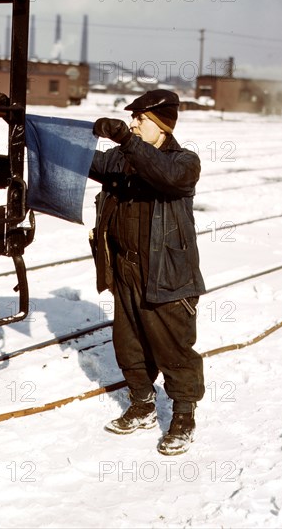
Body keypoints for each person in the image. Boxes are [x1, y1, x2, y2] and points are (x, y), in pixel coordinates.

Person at [89, 89, 206, 456]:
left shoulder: (184, 162)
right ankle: (141, 405)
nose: (134, 123)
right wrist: (20, 123)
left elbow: (164, 175)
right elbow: (81, 159)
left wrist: (125, 139)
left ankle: (183, 418)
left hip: (168, 276)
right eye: (133, 119)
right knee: (129, 345)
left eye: (141, 119)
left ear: (161, 126)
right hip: (126, 270)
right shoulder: (123, 160)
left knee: (174, 350)